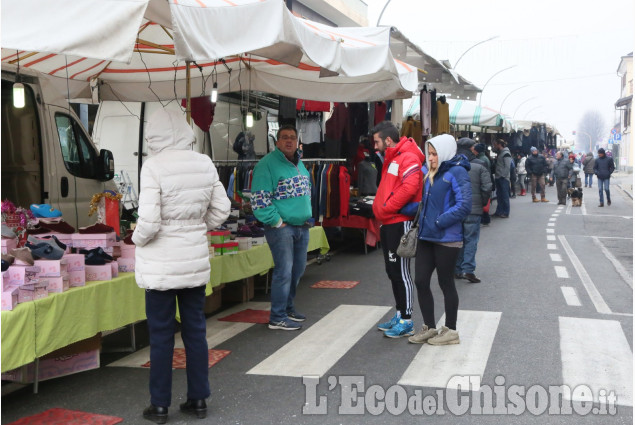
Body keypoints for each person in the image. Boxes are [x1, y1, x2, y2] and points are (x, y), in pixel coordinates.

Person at [133, 109, 231, 424]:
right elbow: (222, 209)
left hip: (161, 267)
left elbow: (148, 223)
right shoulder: (203, 162)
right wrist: (196, 225)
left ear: (154, 135)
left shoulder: (153, 166)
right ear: (184, 131)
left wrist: (136, 240)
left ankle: (159, 406)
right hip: (193, 264)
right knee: (196, 332)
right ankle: (198, 399)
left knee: (161, 336)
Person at [401, 134, 471, 345]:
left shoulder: (456, 172)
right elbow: (424, 202)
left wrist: (440, 221)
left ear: (444, 153)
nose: (429, 158)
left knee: (445, 282)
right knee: (421, 280)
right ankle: (430, 327)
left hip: (447, 238)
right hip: (426, 236)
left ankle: (451, 331)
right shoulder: (429, 172)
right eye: (429, 153)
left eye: (434, 154)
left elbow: (465, 205)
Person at [251, 125, 312, 330]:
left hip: (301, 227)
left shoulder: (298, 163)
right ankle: (277, 316)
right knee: (284, 271)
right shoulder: (266, 165)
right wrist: (277, 222)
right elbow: (259, 200)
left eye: (292, 138)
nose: (289, 141)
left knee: (297, 270)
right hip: (282, 228)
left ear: (297, 141)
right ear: (276, 142)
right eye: (284, 137)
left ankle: (287, 307)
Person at [371, 121, 424, 338]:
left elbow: (410, 186)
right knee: (393, 272)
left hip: (397, 221)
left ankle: (407, 319)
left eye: (377, 142)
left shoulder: (407, 157)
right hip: (390, 221)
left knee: (401, 273)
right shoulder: (394, 157)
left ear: (388, 140)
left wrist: (387, 207)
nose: (375, 147)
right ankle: (401, 313)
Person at [454, 138, 492, 283]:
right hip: (473, 209)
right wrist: (481, 202)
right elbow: (487, 187)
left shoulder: (452, 164)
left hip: (456, 209)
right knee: (471, 240)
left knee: (458, 239)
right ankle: (468, 270)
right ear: (471, 148)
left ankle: (456, 269)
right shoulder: (480, 165)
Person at [492, 139, 512, 218]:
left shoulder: (506, 153)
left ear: (499, 144)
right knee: (499, 195)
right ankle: (499, 211)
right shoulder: (500, 153)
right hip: (499, 177)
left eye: (495, 144)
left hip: (503, 178)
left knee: (504, 196)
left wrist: (503, 176)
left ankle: (505, 212)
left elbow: (507, 166)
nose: (494, 146)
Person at [474, 143, 492, 225]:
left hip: (483, 181)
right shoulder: (484, 158)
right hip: (485, 180)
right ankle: (485, 217)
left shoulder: (482, 159)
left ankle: (485, 218)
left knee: (483, 199)